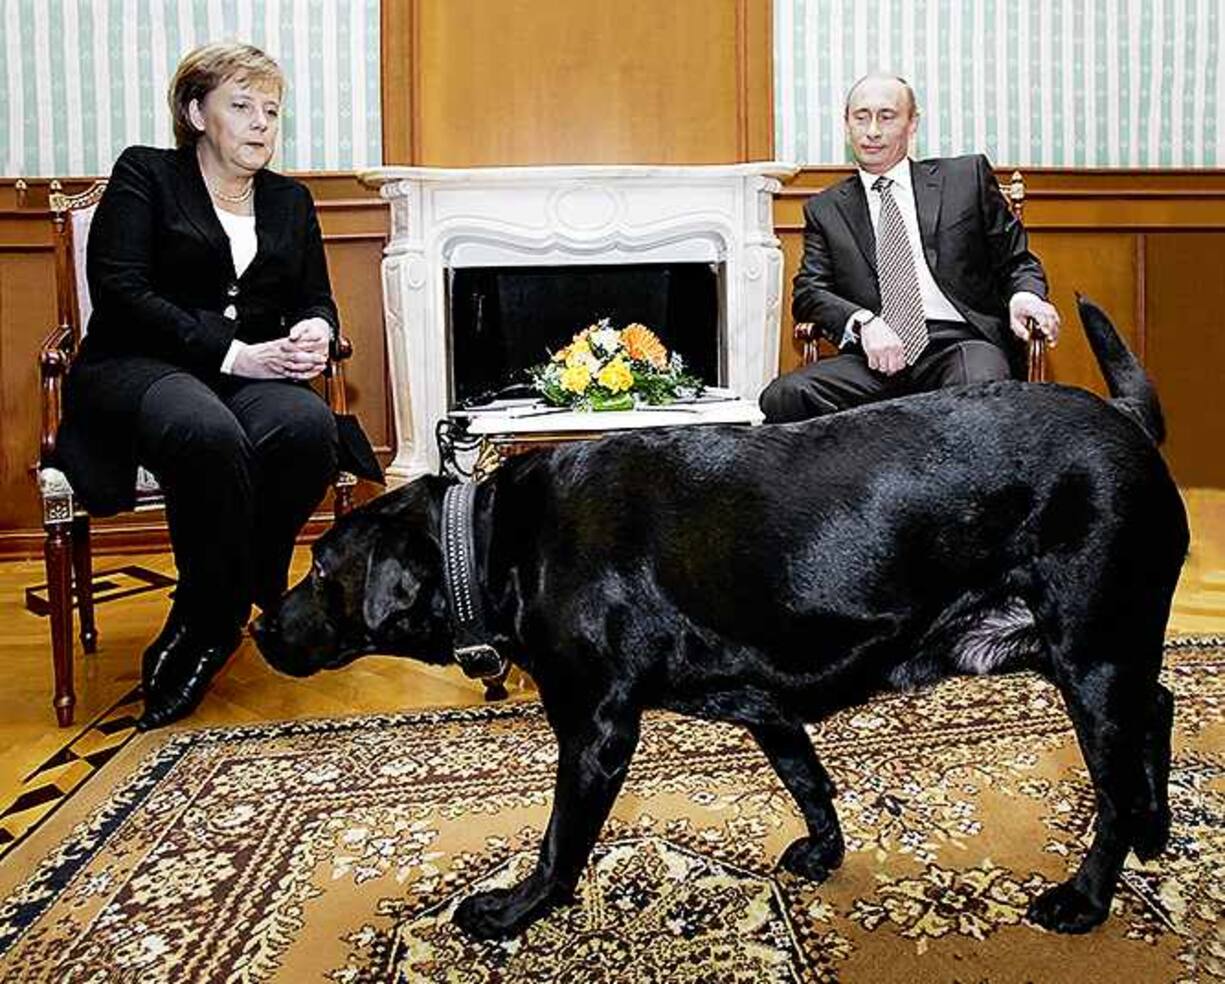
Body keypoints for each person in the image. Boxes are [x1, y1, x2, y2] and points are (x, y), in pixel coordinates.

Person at [54, 42, 375, 730]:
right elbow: (121, 291)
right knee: (203, 429)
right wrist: (234, 354)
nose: (261, 123)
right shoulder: (146, 174)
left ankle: (213, 606)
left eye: (271, 111)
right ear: (196, 111)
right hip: (140, 366)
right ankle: (218, 615)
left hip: (248, 372)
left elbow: (315, 297)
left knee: (307, 428)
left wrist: (316, 330)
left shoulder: (290, 200)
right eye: (242, 106)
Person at [760, 73, 1061, 422]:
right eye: (861, 117)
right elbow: (809, 293)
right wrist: (864, 323)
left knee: (979, 393)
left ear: (911, 123)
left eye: (886, 116)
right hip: (874, 356)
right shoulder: (826, 208)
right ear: (847, 124)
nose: (872, 130)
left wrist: (1025, 297)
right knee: (784, 397)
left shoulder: (964, 179)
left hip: (960, 345)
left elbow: (1016, 261)